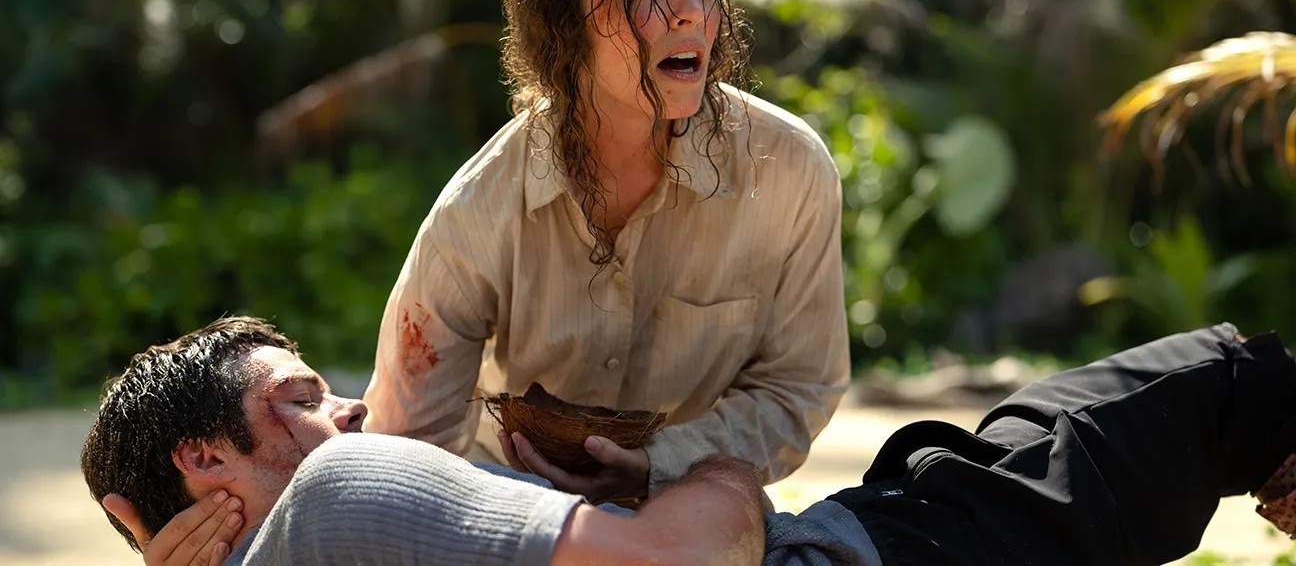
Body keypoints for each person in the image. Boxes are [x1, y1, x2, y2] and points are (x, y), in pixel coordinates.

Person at [360, 0, 850, 504]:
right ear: (563, 19)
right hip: (510, 508)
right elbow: (406, 444)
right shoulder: (480, 208)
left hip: (688, 509)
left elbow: (797, 388)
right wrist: (503, 521)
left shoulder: (788, 171)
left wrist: (660, 466)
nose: (691, 13)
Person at [90, 316, 1296, 565]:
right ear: (205, 461)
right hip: (870, 556)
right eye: (301, 396)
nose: (353, 409)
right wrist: (713, 472)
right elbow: (682, 561)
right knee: (1232, 384)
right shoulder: (343, 488)